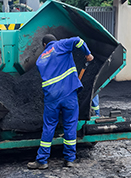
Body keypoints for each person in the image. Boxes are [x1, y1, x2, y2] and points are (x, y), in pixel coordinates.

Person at [27, 34, 93, 170]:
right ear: (53, 41)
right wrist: (88, 54)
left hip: (52, 98)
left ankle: (42, 160)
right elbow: (78, 40)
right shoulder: (60, 45)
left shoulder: (40, 60)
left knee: (49, 127)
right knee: (70, 125)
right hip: (69, 94)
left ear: (44, 45)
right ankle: (69, 159)